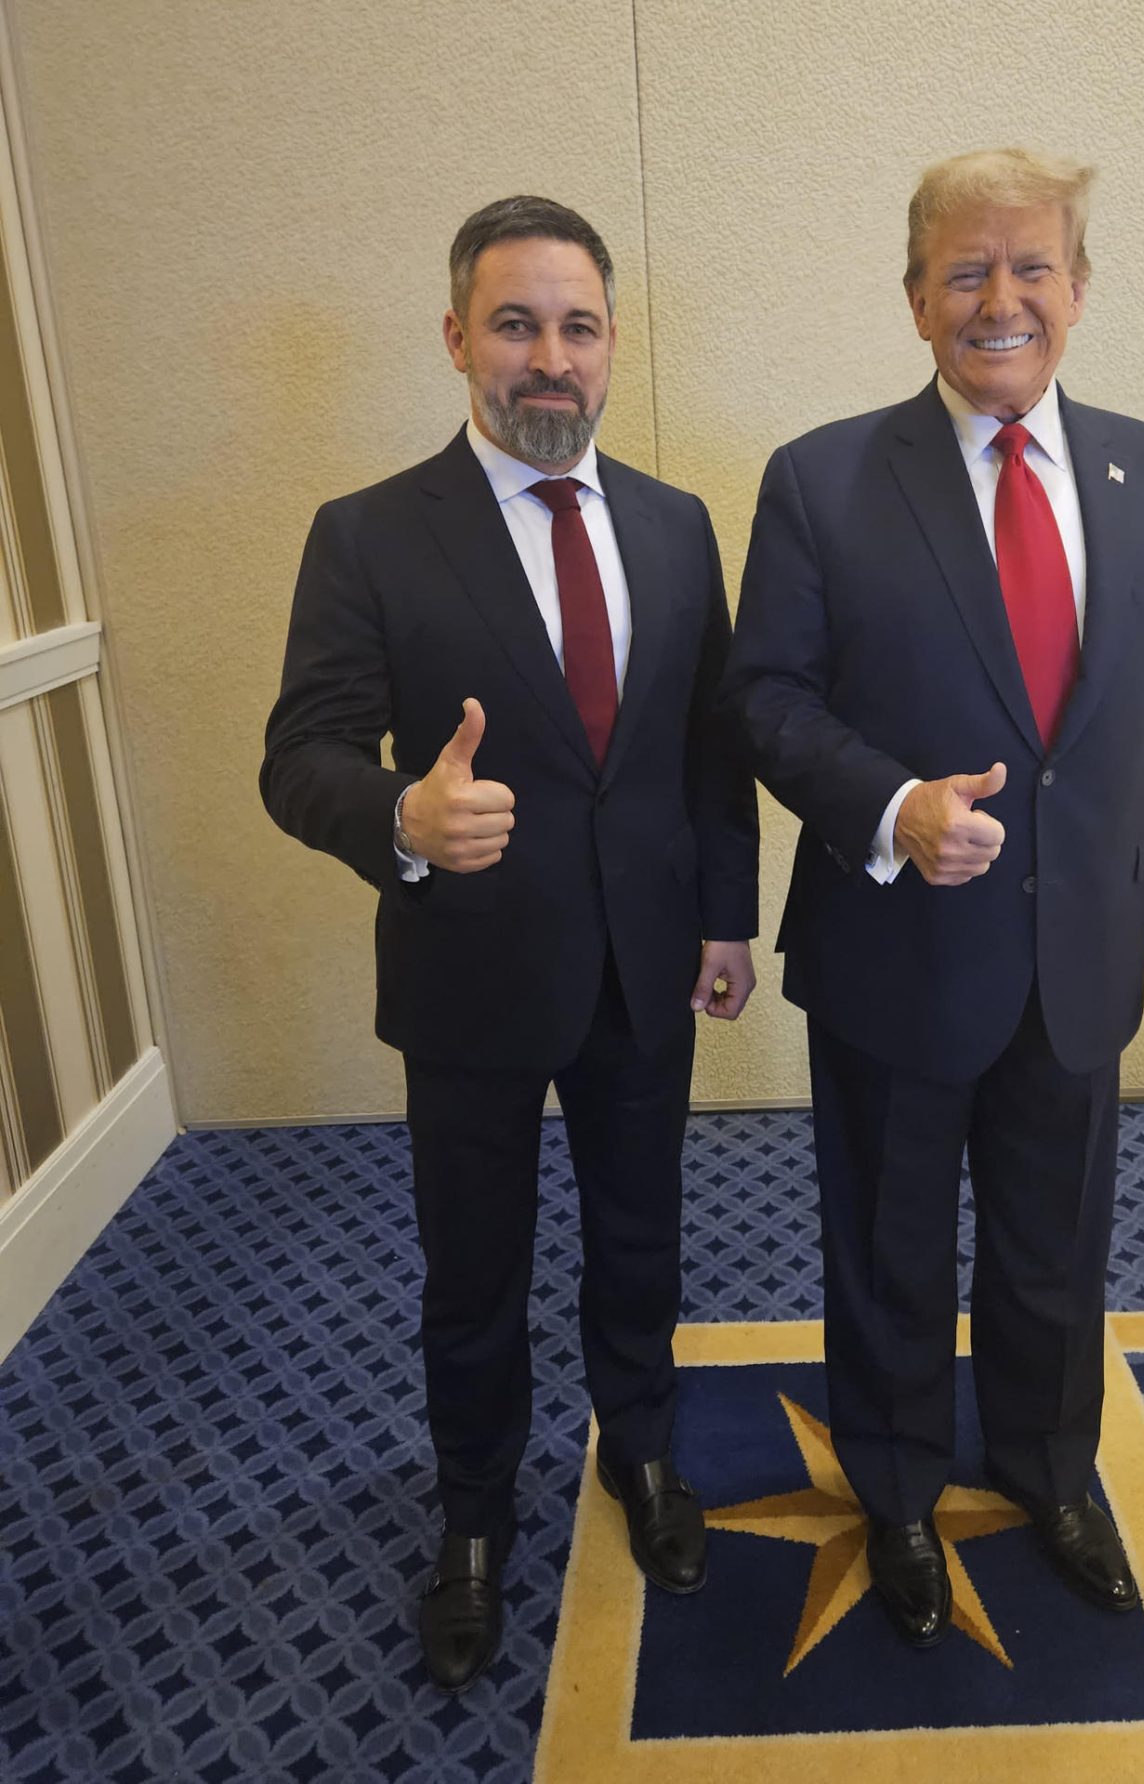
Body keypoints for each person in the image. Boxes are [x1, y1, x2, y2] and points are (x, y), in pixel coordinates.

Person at [721, 148, 1144, 1648]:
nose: (1000, 301)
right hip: (897, 946)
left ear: (1079, 285)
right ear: (915, 298)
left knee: (1054, 1239)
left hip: (1081, 948)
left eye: (1030, 269)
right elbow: (763, 699)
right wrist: (891, 803)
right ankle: (892, 1493)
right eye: (964, 272)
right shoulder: (821, 479)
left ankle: (1046, 1468)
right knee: (886, 1240)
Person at [261, 196, 758, 1691]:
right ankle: (474, 1515)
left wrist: (729, 912)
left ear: (612, 347)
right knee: (472, 1271)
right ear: (459, 338)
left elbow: (709, 746)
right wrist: (405, 814)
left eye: (579, 325)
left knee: (642, 1234)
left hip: (647, 963)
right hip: (470, 968)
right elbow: (302, 756)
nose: (551, 357)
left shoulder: (675, 524)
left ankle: (646, 1453)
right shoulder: (366, 533)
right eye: (517, 323)